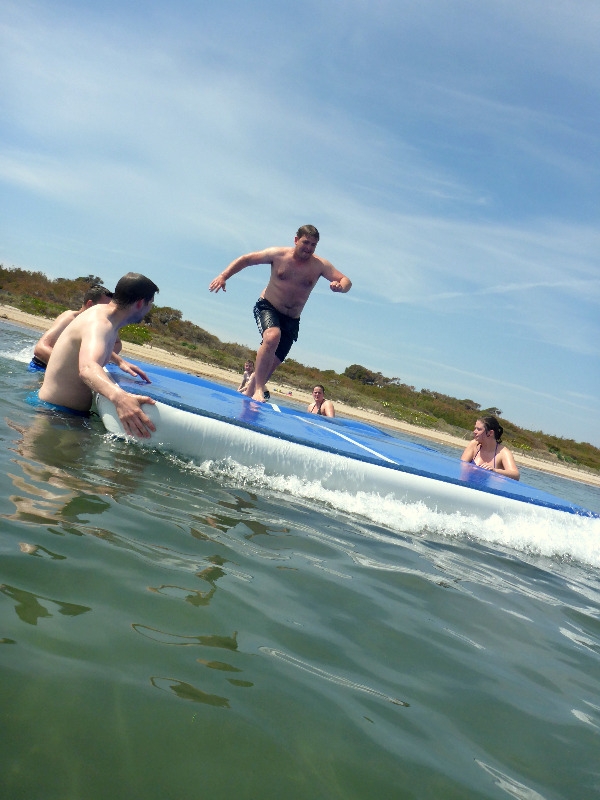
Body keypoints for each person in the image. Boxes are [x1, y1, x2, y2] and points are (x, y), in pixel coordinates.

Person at [209, 225, 351, 402]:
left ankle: (249, 395)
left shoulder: (320, 265)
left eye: (313, 245)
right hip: (268, 307)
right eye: (305, 242)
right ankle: (259, 390)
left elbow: (346, 281)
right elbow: (247, 259)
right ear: (296, 240)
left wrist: (340, 287)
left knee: (272, 363)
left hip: (292, 320)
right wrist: (224, 276)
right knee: (272, 336)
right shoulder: (278, 255)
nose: (309, 248)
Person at [38, 273, 160, 438]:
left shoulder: (101, 314)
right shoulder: (101, 324)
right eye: (150, 303)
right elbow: (87, 368)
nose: (150, 309)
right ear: (140, 303)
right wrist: (121, 398)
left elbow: (85, 345)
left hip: (60, 412)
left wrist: (118, 361)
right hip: (53, 414)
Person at [30, 285, 149, 382]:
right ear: (90, 304)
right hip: (40, 368)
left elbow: (115, 343)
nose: (107, 310)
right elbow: (40, 349)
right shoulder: (69, 318)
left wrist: (118, 361)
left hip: (65, 372)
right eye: (103, 306)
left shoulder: (99, 324)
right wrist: (76, 364)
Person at [461, 416, 520, 480]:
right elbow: (461, 466)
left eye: (479, 429)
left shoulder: (503, 453)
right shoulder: (473, 445)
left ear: (490, 433)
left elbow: (516, 475)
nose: (474, 431)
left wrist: (494, 471)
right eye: (475, 428)